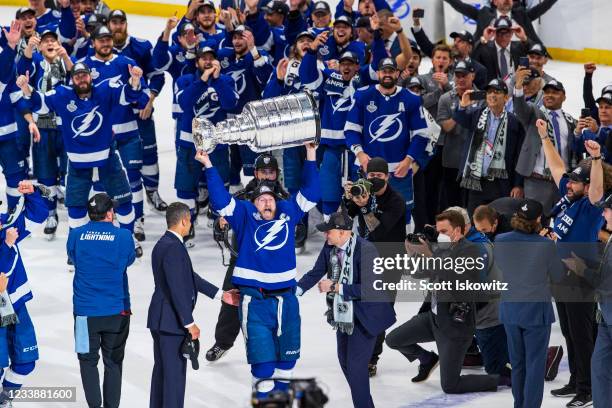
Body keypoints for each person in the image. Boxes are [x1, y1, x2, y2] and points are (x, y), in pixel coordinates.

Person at [199, 143, 319, 399]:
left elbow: (312, 192)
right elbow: (221, 200)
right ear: (254, 203)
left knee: (286, 366)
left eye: (269, 199)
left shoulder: (288, 209)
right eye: (261, 199)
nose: (266, 202)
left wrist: (311, 154)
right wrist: (209, 165)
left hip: (286, 298)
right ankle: (225, 345)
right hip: (254, 299)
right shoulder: (244, 212)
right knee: (263, 370)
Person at [17, 61, 147, 260]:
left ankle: (129, 240)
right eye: (77, 76)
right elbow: (40, 104)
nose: (81, 79)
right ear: (72, 79)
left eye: (84, 75)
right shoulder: (62, 94)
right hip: (77, 164)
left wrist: (135, 80)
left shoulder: (104, 90)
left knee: (123, 202)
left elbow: (128, 95)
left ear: (90, 77)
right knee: (76, 208)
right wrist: (26, 88)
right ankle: (76, 248)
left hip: (107, 158)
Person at [386, 210, 501, 393]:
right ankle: (427, 359)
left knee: (450, 385)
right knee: (393, 339)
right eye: (438, 230)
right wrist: (412, 253)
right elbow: (419, 274)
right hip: (433, 318)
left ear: (458, 230)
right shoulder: (442, 249)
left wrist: (429, 256)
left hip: (455, 328)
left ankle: (496, 380)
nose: (440, 235)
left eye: (444, 231)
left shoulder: (471, 250)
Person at [537, 118, 607, 407]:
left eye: (576, 181)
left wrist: (596, 158)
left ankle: (588, 388)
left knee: (582, 335)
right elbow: (555, 168)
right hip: (560, 274)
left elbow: (598, 190)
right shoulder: (568, 196)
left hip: (580, 276)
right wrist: (544, 137)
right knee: (568, 331)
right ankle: (577, 379)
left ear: (586, 186)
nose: (569, 183)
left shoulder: (591, 206)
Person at [296, 212, 396, 408]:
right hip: (343, 314)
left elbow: (370, 288)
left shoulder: (367, 250)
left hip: (367, 316)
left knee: (356, 369)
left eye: (329, 232)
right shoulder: (330, 247)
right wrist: (295, 291)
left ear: (343, 233)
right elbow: (316, 272)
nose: (325, 236)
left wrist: (335, 287)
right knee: (345, 362)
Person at [147, 202, 239, 408]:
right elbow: (177, 288)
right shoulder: (173, 248)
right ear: (183, 221)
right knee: (174, 379)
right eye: (189, 220)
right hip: (171, 323)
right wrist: (189, 324)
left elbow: (189, 277)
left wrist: (221, 295)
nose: (191, 224)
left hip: (162, 320)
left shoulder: (166, 243)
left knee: (162, 373)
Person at [205, 153, 290, 362]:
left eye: (271, 172)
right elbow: (219, 217)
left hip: (272, 265)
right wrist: (221, 223)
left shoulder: (285, 200)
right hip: (241, 261)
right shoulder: (242, 197)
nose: (268, 176)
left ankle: (276, 346)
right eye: (264, 172)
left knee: (276, 306)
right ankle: (223, 342)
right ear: (256, 172)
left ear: (277, 174)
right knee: (230, 301)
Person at [494, 199, 565, 408]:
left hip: (510, 310)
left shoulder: (501, 239)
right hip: (536, 313)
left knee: (517, 363)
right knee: (534, 364)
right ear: (538, 220)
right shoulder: (545, 246)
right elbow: (558, 275)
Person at [68, 193, 136, 408]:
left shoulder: (76, 235)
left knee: (87, 363)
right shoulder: (124, 236)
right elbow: (129, 260)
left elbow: (73, 257)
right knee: (113, 363)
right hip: (116, 311)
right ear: (109, 213)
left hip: (84, 314)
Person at [345, 57, 429, 227]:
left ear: (398, 73)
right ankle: (367, 251)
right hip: (368, 169)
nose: (388, 75)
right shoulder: (363, 95)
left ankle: (401, 252)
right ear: (378, 73)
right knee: (365, 211)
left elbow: (422, 134)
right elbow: (351, 129)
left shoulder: (411, 98)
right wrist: (360, 154)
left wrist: (409, 160)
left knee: (402, 214)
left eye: (391, 71)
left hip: (399, 169)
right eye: (384, 71)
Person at [343, 157, 405, 376]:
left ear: (387, 177)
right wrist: (349, 199)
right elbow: (342, 219)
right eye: (371, 176)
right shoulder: (361, 192)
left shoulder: (396, 201)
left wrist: (366, 207)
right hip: (365, 257)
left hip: (390, 258)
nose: (375, 180)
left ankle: (372, 357)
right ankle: (362, 351)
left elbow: (379, 231)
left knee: (381, 308)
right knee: (362, 304)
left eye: (379, 176)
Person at [108, 9, 169, 213]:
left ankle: (152, 191)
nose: (118, 26)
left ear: (126, 24)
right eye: (114, 22)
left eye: (121, 22)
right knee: (118, 158)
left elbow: (157, 75)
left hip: (142, 113)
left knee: (149, 154)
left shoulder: (141, 47)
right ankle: (120, 199)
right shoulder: (103, 50)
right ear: (109, 25)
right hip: (117, 117)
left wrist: (150, 100)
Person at [16, 28, 72, 238]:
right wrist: (30, 47)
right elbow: (23, 67)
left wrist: (66, 56)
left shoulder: (67, 62)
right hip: (43, 128)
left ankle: (71, 203)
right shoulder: (36, 63)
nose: (50, 43)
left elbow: (78, 77)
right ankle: (50, 212)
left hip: (66, 127)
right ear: (40, 47)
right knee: (45, 173)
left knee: (69, 172)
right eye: (46, 41)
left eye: (53, 41)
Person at [0, 180, 48, 407]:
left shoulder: (3, 225)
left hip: (13, 305)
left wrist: (33, 194)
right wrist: (8, 246)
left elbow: (37, 216)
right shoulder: (5, 236)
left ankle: (5, 400)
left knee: (25, 361)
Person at [562, 192, 612, 407]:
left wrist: (582, 269)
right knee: (599, 368)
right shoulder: (609, 238)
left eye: (608, 209)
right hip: (604, 318)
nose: (604, 213)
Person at [454, 79, 525, 215]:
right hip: (476, 180)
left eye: (497, 92)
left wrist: (518, 184)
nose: (492, 95)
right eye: (489, 92)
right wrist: (463, 105)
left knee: (499, 220)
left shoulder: (514, 122)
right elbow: (460, 119)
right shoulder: (477, 114)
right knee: (474, 219)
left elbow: (519, 156)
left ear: (506, 97)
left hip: (500, 183)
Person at [513, 74, 578, 213]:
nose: (549, 95)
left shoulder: (571, 121)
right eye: (547, 92)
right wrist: (518, 88)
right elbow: (520, 108)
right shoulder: (534, 113)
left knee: (562, 223)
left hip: (563, 183)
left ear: (564, 97)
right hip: (537, 182)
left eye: (555, 92)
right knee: (534, 223)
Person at [437, 60, 483, 210]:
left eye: (465, 75)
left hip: (476, 161)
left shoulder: (483, 99)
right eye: (458, 75)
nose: (461, 79)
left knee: (473, 204)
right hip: (452, 160)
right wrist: (461, 109)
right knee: (452, 203)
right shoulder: (445, 98)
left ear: (473, 76)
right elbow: (447, 127)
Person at [442, 0, 558, 45]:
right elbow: (460, 6)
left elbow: (543, 7)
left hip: (520, 57)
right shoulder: (483, 14)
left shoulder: (522, 14)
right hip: (488, 57)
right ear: (494, 2)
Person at [471, 17, 532, 82]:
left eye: (506, 34)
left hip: (516, 88)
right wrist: (484, 38)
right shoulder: (485, 49)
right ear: (494, 33)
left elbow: (536, 51)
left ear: (511, 33)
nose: (503, 37)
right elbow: (472, 57)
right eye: (500, 33)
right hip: (492, 90)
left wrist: (524, 38)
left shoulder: (519, 47)